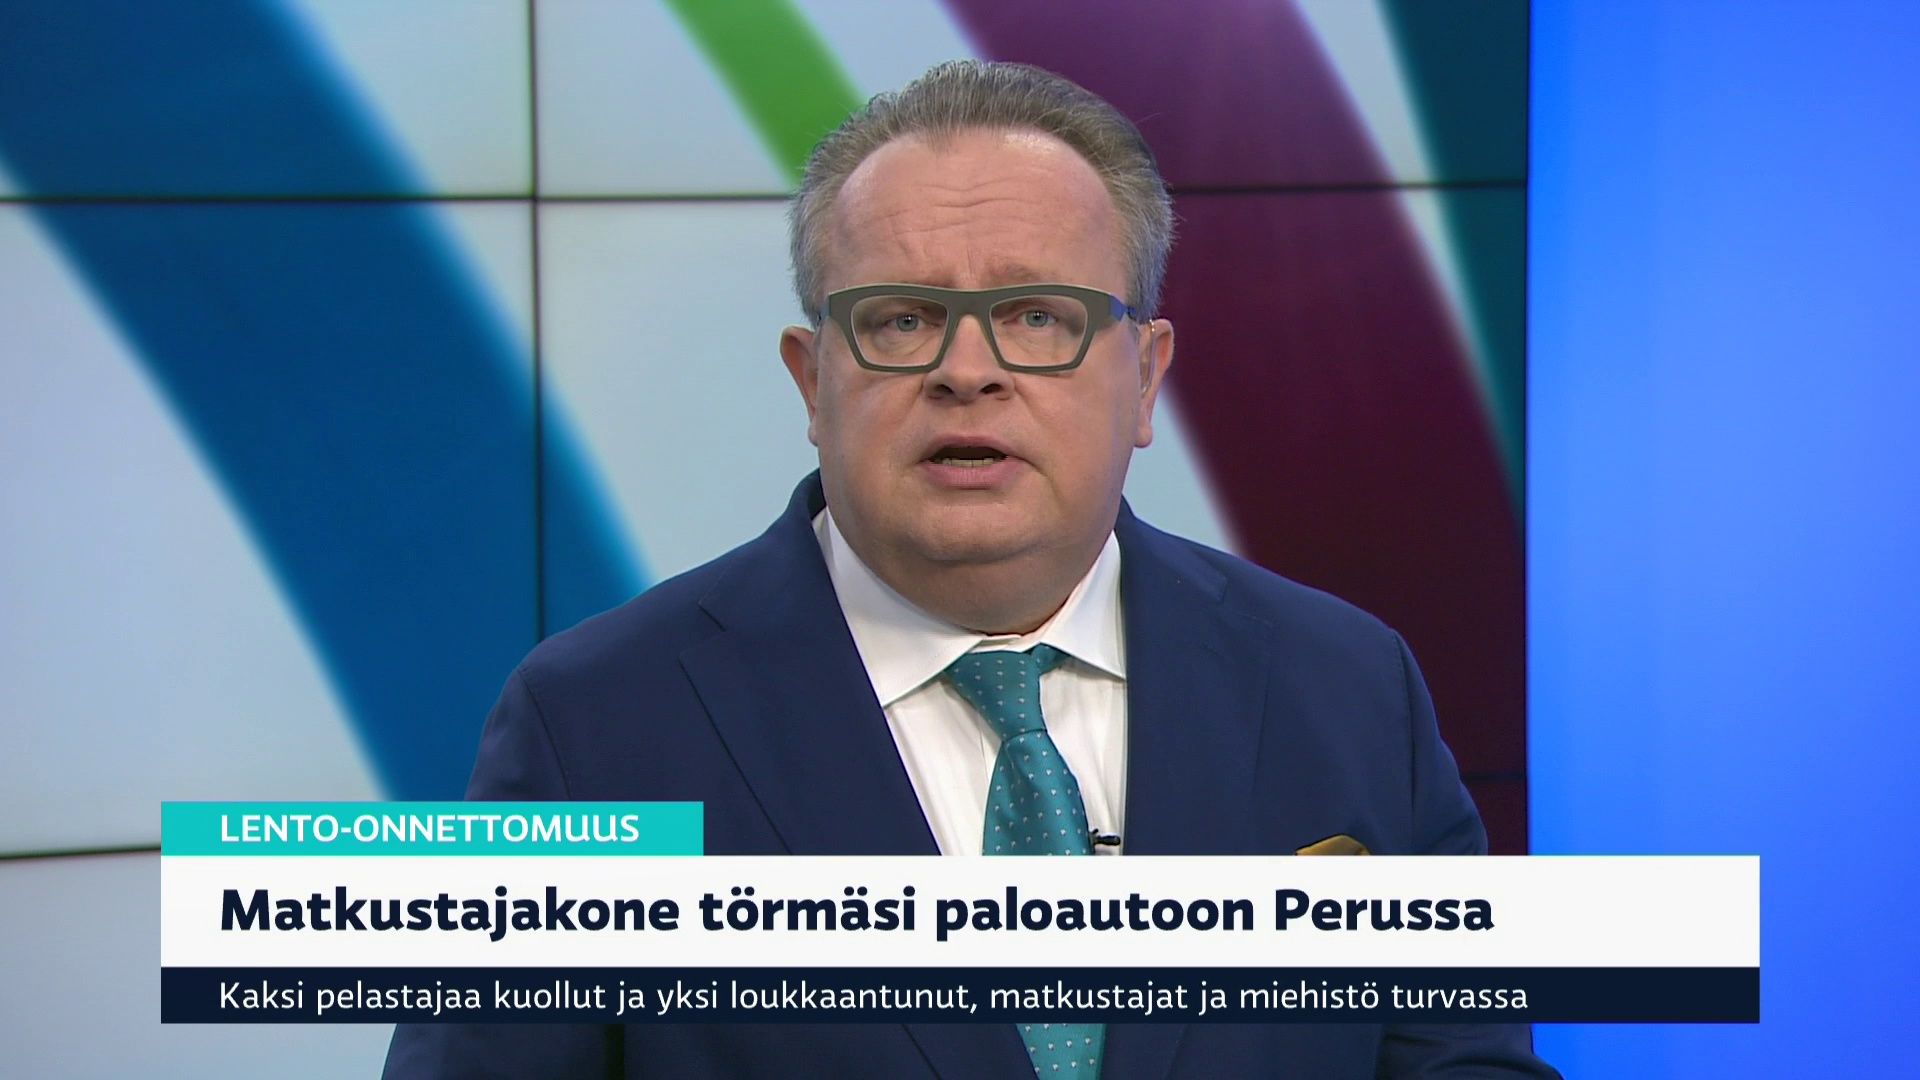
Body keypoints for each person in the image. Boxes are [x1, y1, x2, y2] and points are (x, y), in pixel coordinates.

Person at [385, 60, 1557, 1079]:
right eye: (900, 319)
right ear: (811, 381)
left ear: (1146, 378)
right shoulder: (594, 728)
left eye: (1038, 316)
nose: (967, 371)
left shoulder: (1344, 688)